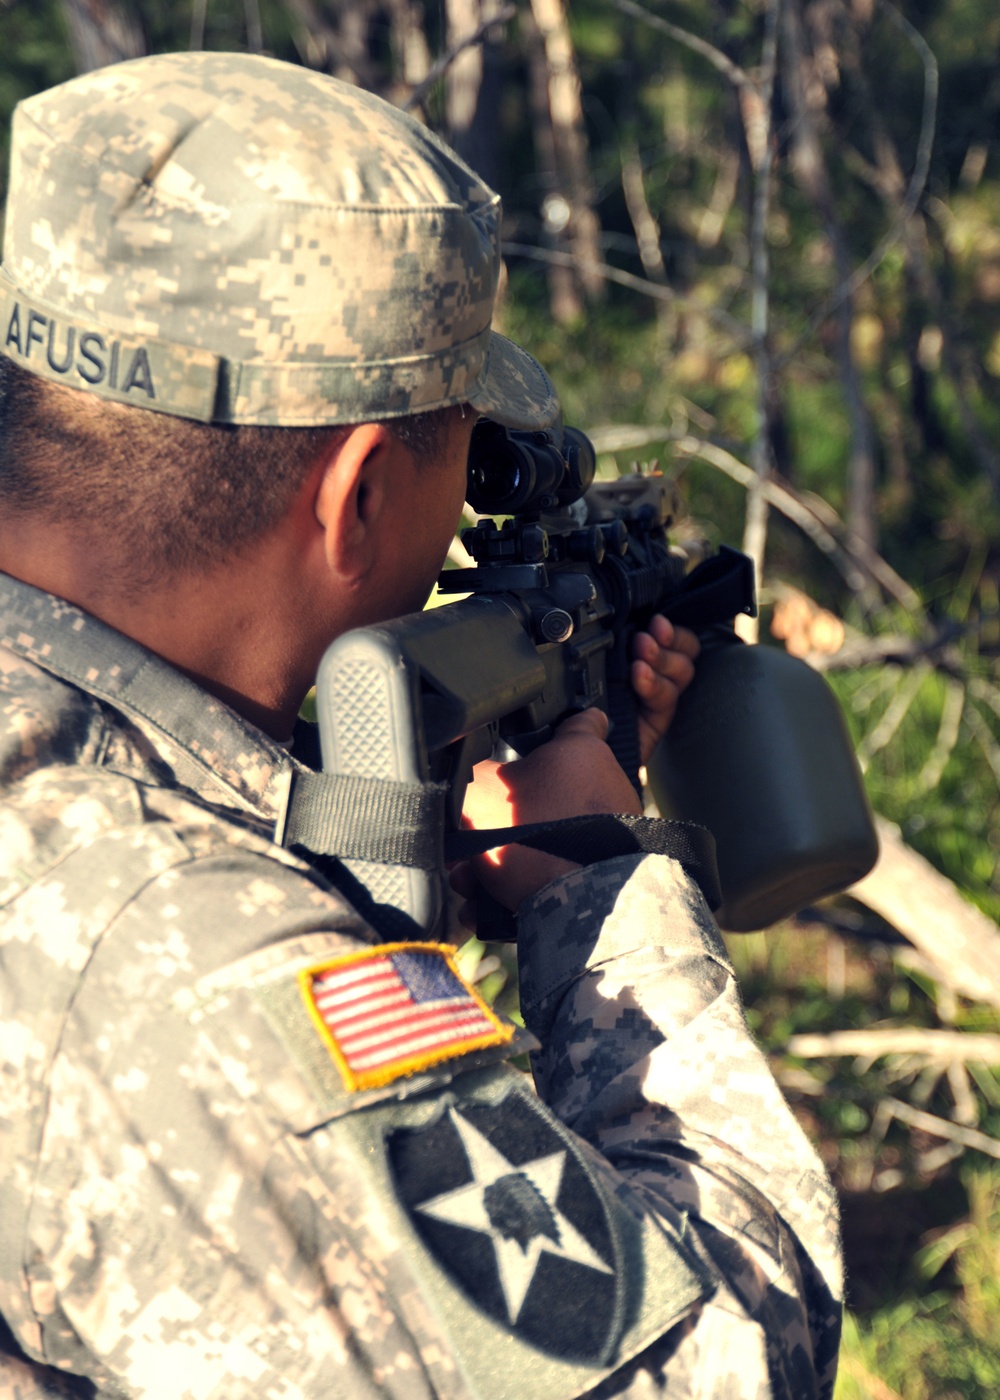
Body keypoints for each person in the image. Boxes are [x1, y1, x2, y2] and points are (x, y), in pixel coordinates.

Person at [0, 51, 842, 1400]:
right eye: (469, 455)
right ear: (358, 495)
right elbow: (720, 1361)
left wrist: (370, 862)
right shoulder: (174, 954)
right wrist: (599, 890)